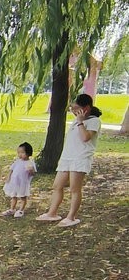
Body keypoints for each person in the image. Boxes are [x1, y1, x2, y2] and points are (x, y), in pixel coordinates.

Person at [36, 93, 103, 227]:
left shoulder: (94, 121)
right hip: (67, 157)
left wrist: (80, 122)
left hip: (80, 158)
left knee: (74, 188)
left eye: (77, 108)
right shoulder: (77, 119)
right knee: (57, 185)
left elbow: (85, 138)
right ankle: (52, 213)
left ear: (86, 108)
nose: (74, 111)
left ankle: (71, 217)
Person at [2, 141, 36, 218]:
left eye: (22, 152)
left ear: (28, 153)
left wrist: (31, 171)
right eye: (19, 152)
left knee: (23, 197)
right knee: (13, 196)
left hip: (22, 183)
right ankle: (12, 209)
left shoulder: (30, 163)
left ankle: (21, 210)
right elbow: (11, 170)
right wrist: (8, 177)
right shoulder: (17, 162)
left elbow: (33, 174)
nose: (20, 154)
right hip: (14, 182)